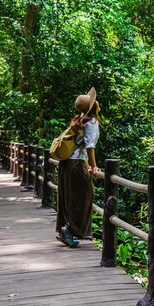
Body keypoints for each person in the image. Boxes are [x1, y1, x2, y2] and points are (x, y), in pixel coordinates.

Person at [55, 87, 101, 247]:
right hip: (76, 164)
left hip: (68, 163)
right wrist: (93, 167)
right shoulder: (92, 122)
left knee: (73, 197)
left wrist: (88, 165)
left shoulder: (81, 119)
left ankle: (67, 230)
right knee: (84, 197)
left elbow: (80, 146)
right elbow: (89, 146)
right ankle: (69, 230)